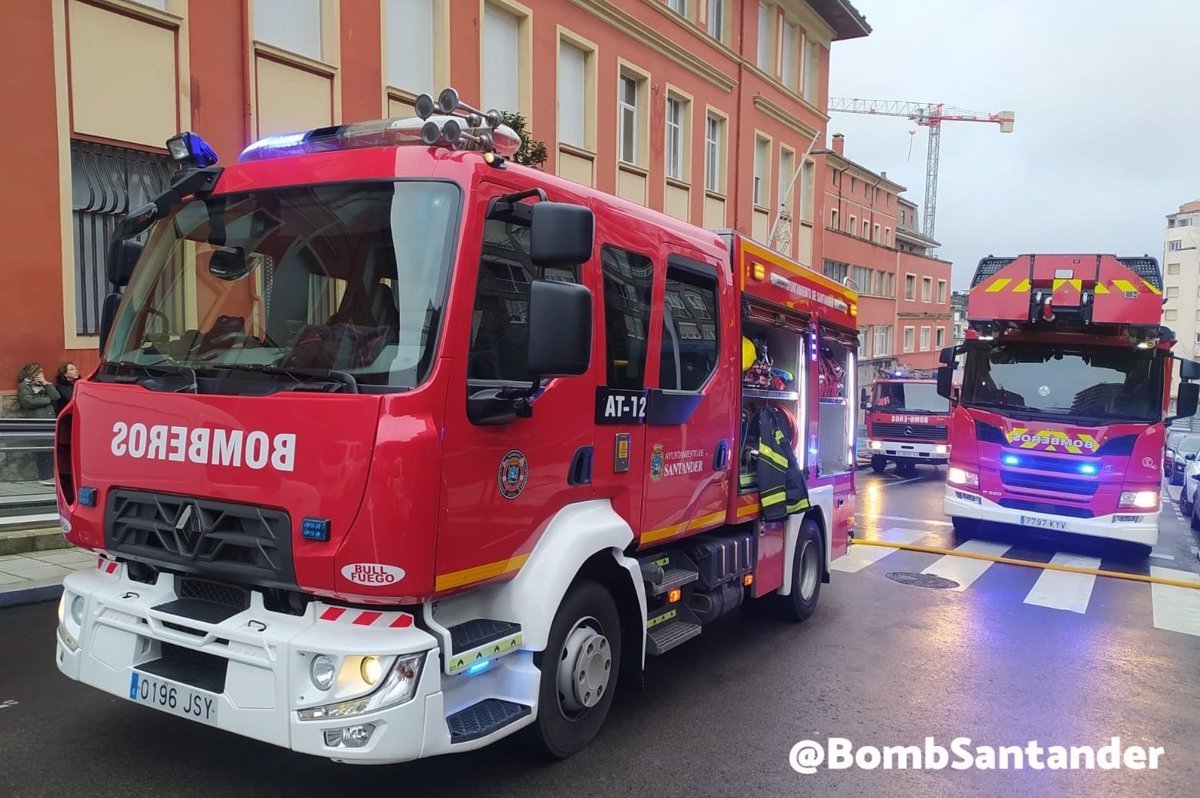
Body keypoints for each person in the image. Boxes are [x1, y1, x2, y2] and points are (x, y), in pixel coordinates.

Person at [16, 362, 59, 486]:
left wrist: (45, 383)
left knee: (50, 449)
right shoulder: (24, 386)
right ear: (32, 373)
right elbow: (28, 402)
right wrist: (47, 400)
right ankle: (44, 475)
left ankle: (50, 475)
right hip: (38, 420)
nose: (41, 374)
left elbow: (56, 396)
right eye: (39, 372)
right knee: (42, 450)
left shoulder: (44, 384)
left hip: (50, 420)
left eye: (42, 371)